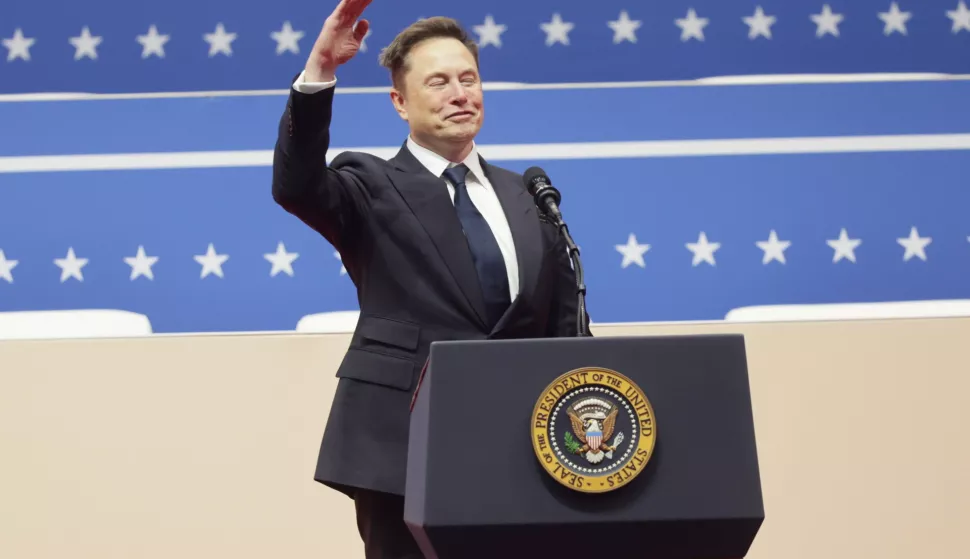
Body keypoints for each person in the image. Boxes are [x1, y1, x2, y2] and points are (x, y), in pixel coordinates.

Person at [271, 1, 589, 557]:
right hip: (404, 448)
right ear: (399, 102)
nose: (460, 93)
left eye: (469, 79)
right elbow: (296, 184)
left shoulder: (529, 194)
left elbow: (566, 330)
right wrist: (320, 70)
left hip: (526, 447)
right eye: (438, 82)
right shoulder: (367, 183)